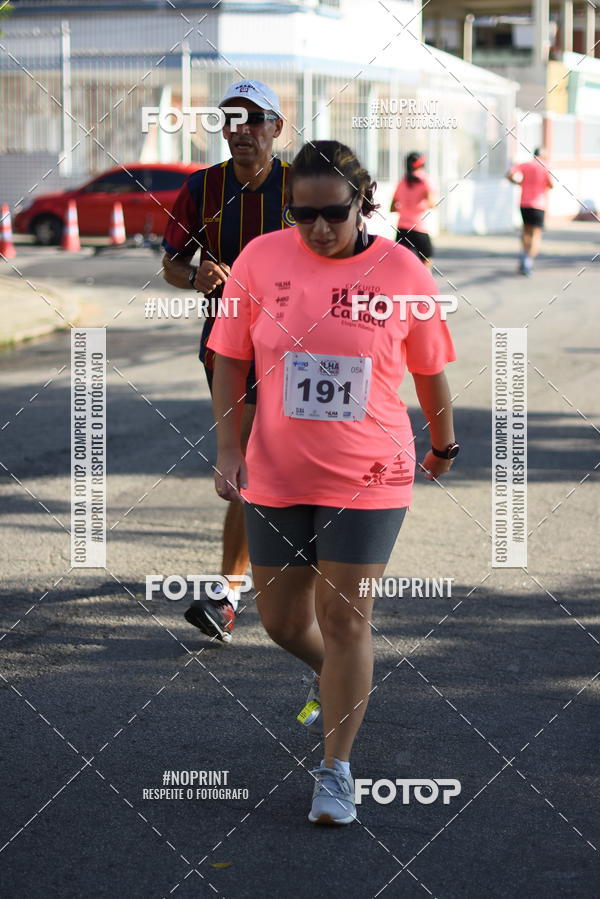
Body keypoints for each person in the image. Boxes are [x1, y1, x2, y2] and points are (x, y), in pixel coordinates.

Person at [207, 140, 458, 825]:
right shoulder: (260, 260)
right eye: (303, 214)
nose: (318, 228)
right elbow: (228, 357)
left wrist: (443, 442)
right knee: (284, 620)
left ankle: (336, 769)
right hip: (277, 469)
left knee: (346, 616)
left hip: (369, 473)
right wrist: (230, 445)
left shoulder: (403, 270)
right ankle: (337, 676)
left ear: (363, 204)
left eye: (333, 213)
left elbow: (431, 370)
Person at [162, 80, 293, 643]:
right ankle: (228, 596)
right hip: (229, 346)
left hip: (302, 348)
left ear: (276, 128)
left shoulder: (304, 184)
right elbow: (171, 263)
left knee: (289, 464)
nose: (242, 130)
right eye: (231, 119)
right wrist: (195, 277)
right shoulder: (202, 188)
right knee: (247, 461)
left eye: (254, 119)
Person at [506, 147, 554, 276]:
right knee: (536, 235)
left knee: (526, 232)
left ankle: (523, 256)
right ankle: (528, 262)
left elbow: (509, 174)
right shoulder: (545, 167)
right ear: (543, 155)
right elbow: (551, 185)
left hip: (524, 204)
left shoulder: (525, 165)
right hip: (539, 205)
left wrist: (518, 182)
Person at [390, 151, 435, 266]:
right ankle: (424, 284)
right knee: (426, 262)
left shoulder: (402, 182)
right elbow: (432, 203)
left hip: (402, 229)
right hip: (419, 228)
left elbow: (392, 207)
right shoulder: (425, 180)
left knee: (400, 264)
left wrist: (405, 208)